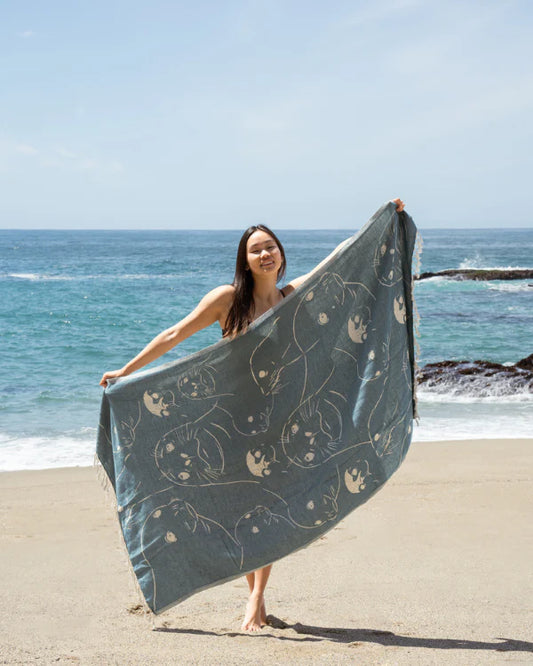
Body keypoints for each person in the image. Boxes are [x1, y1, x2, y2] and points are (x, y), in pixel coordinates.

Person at [100, 198, 405, 631]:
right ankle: (255, 599)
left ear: (280, 253)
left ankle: (257, 598)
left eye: (271, 247)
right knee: (245, 507)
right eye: (256, 249)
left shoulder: (292, 297)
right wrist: (126, 371)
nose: (266, 253)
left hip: (281, 418)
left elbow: (341, 260)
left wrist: (383, 221)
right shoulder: (228, 299)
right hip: (232, 417)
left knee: (273, 506)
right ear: (245, 260)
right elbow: (175, 333)